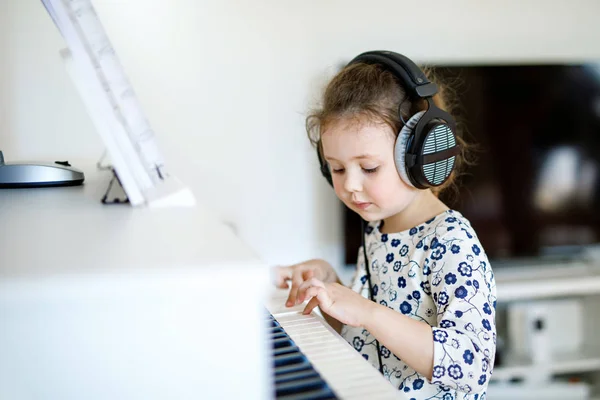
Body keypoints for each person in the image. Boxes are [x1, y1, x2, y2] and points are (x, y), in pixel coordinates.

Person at [273, 51, 497, 399]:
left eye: (369, 168)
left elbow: (470, 368)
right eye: (337, 168)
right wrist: (330, 290)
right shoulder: (377, 231)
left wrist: (365, 311)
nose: (349, 185)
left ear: (420, 156)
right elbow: (366, 339)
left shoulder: (450, 240)